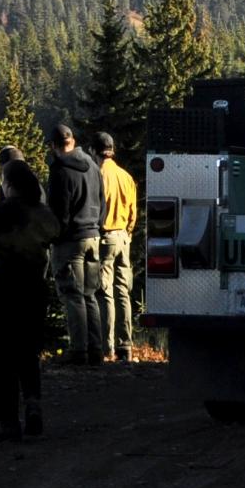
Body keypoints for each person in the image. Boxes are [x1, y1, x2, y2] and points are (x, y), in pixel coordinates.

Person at [0, 157, 59, 439]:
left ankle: (7, 421)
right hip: (34, 286)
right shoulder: (44, 214)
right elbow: (56, 233)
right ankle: (33, 403)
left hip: (4, 287)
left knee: (3, 356)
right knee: (28, 350)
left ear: (8, 184)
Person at [45, 122, 104, 365]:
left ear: (53, 146)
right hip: (93, 235)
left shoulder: (60, 171)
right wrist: (97, 225)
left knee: (72, 295)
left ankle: (78, 350)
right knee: (90, 294)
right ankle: (96, 348)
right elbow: (102, 199)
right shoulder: (92, 165)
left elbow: (59, 212)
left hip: (71, 240)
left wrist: (55, 237)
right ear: (73, 140)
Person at [94, 130, 140, 364]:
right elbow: (134, 212)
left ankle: (107, 346)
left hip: (106, 237)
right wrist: (128, 233)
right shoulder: (125, 176)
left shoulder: (99, 175)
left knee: (105, 293)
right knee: (123, 292)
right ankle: (126, 346)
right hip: (124, 237)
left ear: (95, 151)